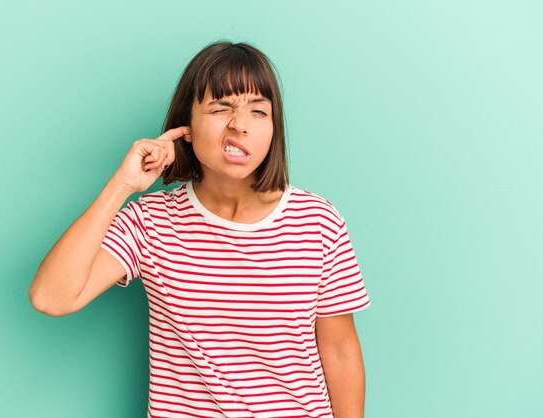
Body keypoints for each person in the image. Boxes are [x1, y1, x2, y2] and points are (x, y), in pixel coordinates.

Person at [29, 40, 371, 418]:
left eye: (259, 111)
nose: (239, 125)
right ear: (185, 128)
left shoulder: (317, 221)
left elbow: (339, 349)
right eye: (221, 108)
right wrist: (121, 186)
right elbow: (51, 298)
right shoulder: (151, 221)